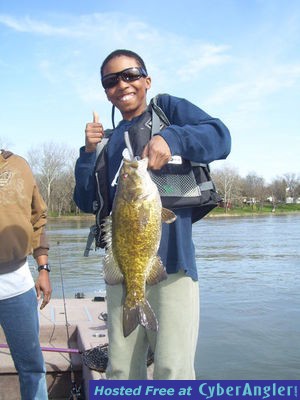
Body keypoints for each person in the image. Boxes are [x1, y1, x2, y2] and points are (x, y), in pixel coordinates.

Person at [74, 49, 231, 379]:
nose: (122, 84)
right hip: (123, 270)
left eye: (130, 75)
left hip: (173, 266)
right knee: (120, 370)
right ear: (106, 92)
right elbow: (86, 201)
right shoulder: (107, 141)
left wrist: (172, 138)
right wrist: (88, 155)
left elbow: (220, 137)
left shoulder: (169, 111)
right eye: (111, 80)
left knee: (173, 369)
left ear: (147, 80)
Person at [0, 149, 52, 399]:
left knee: (32, 368)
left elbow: (38, 218)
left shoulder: (19, 165)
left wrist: (43, 269)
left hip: (16, 285)